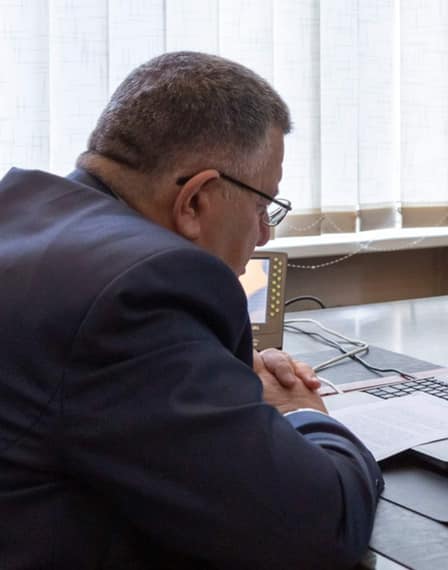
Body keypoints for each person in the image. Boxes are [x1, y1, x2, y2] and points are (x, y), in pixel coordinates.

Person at [0, 52, 381, 569]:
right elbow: (319, 525)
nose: (265, 233)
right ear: (196, 201)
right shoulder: (136, 293)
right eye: (262, 205)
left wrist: (217, 380)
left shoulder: (20, 210)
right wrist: (303, 413)